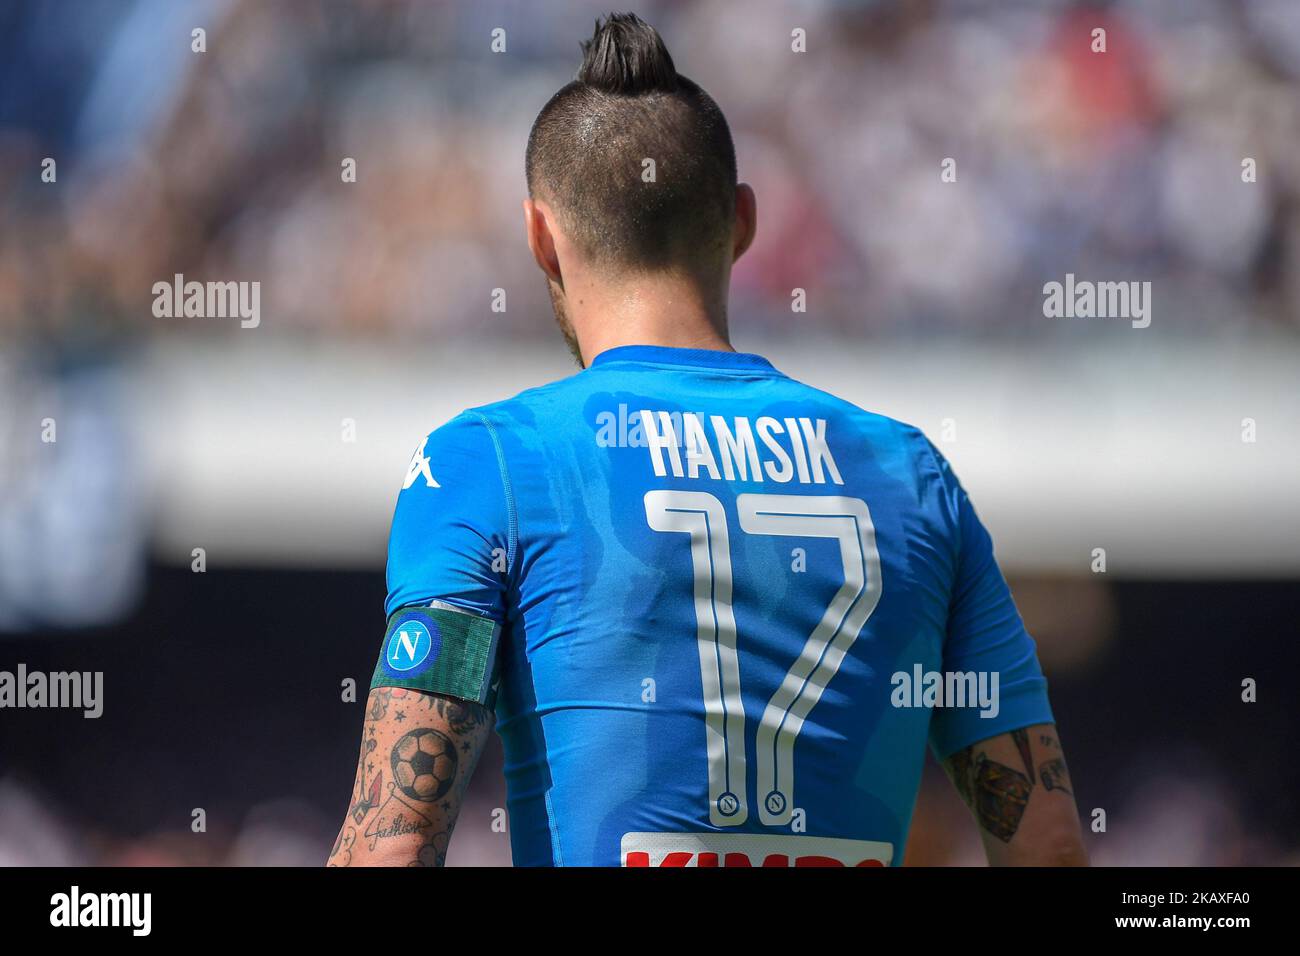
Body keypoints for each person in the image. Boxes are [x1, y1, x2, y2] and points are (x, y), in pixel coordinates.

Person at [328, 13, 1087, 867]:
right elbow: (1048, 847)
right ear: (742, 223)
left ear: (541, 237)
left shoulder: (488, 463)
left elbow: (390, 850)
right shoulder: (910, 473)